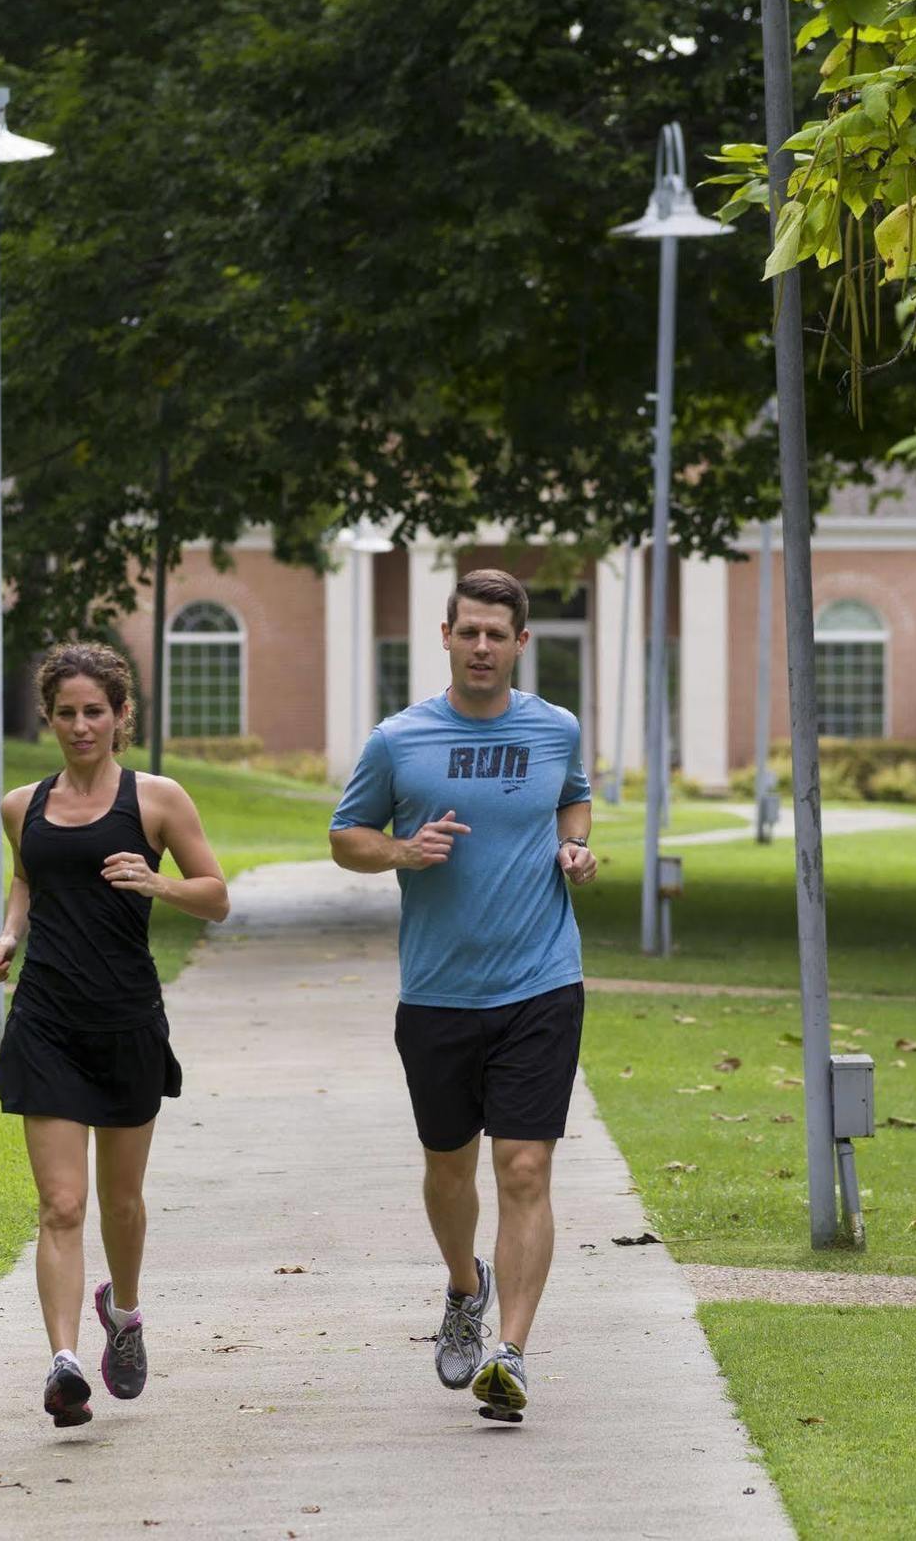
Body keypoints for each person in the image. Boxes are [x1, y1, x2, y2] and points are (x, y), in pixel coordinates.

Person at [329, 568, 597, 1419]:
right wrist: (403, 853)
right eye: (468, 631)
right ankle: (462, 1286)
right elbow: (346, 838)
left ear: (523, 643)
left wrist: (575, 849)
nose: (482, 646)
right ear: (444, 637)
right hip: (440, 992)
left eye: (498, 634)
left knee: (524, 1167)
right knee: (450, 1168)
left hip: (541, 982)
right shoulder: (399, 740)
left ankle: (511, 1354)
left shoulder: (556, 729)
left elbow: (575, 802)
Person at [0, 641, 229, 1428]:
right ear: (48, 718)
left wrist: (158, 882)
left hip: (124, 1019)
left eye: (95, 712)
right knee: (61, 1204)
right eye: (66, 713)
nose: (81, 726)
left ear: (122, 716)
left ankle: (122, 1314)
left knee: (121, 1203)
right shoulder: (23, 803)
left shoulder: (157, 800)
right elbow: (28, 875)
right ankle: (61, 1366)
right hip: (46, 1019)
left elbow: (216, 896)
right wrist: (10, 935)